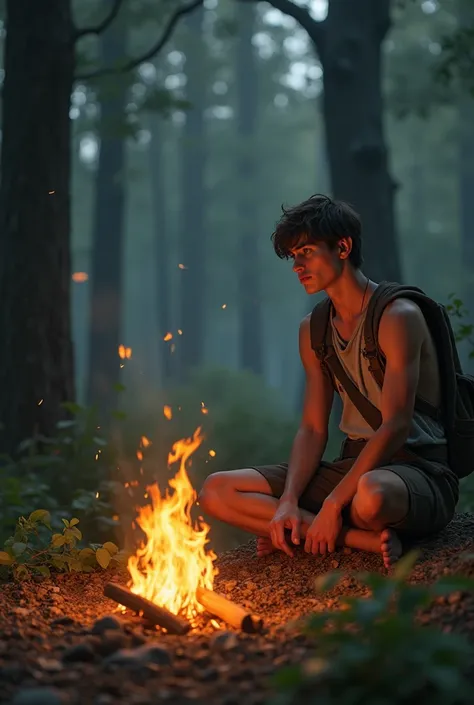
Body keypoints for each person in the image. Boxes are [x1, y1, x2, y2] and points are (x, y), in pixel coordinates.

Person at [198, 194, 458, 568]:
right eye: (293, 257)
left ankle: (318, 526)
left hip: (417, 470)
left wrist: (334, 503)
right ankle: (359, 540)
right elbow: (312, 428)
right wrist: (288, 500)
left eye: (306, 251)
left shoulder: (397, 316)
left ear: (343, 247)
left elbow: (397, 425)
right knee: (216, 491)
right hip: (351, 465)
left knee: (372, 496)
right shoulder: (313, 329)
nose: (297, 266)